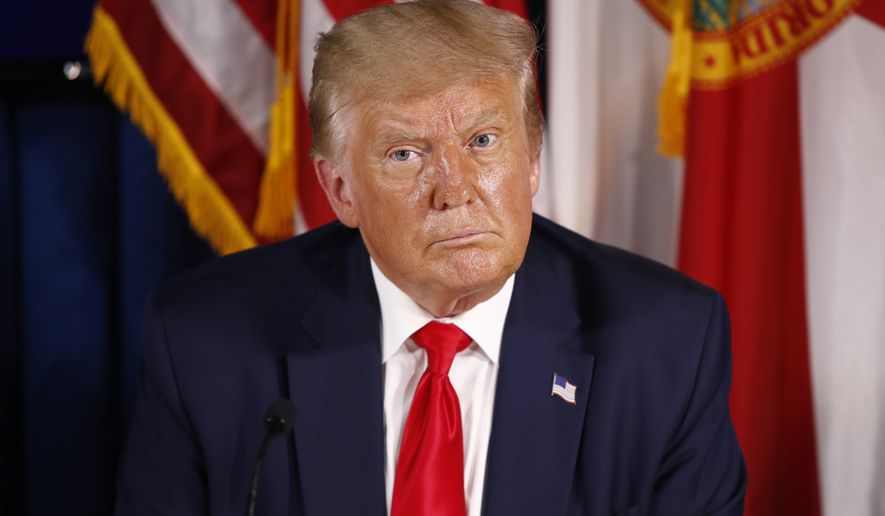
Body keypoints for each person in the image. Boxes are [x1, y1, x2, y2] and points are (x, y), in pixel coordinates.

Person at [114, 1, 747, 515]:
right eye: (405, 154)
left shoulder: (667, 345)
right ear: (339, 190)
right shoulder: (205, 342)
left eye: (482, 140)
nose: (455, 190)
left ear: (531, 161)